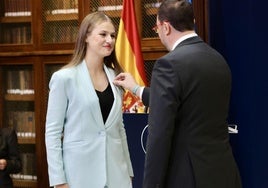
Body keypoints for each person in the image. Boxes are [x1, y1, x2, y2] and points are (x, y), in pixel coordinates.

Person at [113, 0, 242, 188]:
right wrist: (136, 89)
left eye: (156, 29)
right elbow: (190, 102)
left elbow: (158, 137)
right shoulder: (218, 59)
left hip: (188, 177)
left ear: (165, 27)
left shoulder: (169, 64)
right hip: (224, 173)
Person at [45, 12, 133, 188]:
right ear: (86, 36)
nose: (110, 40)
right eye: (103, 34)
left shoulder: (116, 77)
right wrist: (59, 180)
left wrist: (128, 171)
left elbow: (119, 129)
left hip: (117, 176)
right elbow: (53, 133)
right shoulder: (64, 78)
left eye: (113, 35)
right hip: (78, 177)